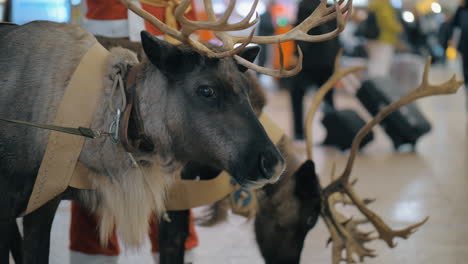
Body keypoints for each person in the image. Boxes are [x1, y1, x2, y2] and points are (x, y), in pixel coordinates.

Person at [70, 1, 199, 263]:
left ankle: (176, 252)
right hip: (103, 55)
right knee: (94, 173)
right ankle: (93, 253)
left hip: (168, 59)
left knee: (170, 175)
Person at [289, 0, 341, 140]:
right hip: (328, 60)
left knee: (297, 95)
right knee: (328, 98)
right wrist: (335, 57)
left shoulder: (305, 5)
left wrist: (296, 53)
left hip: (309, 60)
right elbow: (337, 32)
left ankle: (299, 133)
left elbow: (303, 30)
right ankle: (334, 134)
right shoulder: (331, 7)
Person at [367, 0, 403, 78]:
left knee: (375, 66)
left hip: (375, 39)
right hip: (384, 40)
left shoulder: (374, 4)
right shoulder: (384, 4)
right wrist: (398, 28)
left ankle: (372, 87)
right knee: (381, 68)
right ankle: (377, 87)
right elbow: (387, 22)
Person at [450, 0, 468, 109]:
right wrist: (454, 45)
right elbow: (455, 27)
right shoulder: (461, 9)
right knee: (466, 73)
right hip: (465, 47)